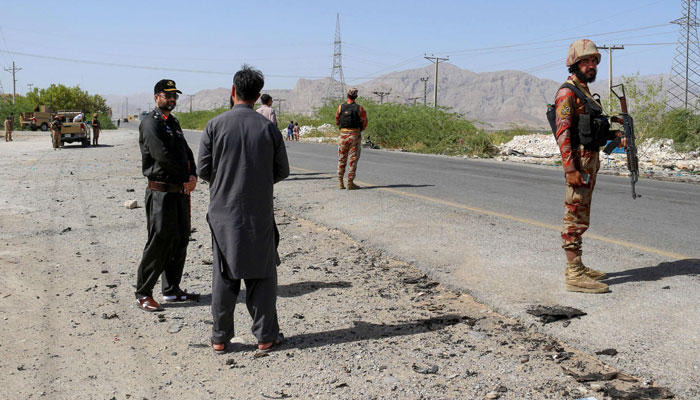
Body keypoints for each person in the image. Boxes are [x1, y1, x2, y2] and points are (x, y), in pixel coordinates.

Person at [197, 65, 289, 354]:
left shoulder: (214, 125)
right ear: (258, 95)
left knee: (224, 275)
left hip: (223, 212)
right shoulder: (268, 128)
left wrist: (226, 181)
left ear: (233, 91)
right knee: (261, 275)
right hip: (258, 212)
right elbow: (282, 171)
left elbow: (203, 169)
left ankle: (220, 339)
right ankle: (265, 337)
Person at [553, 39, 624, 294]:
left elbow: (592, 131)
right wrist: (570, 169)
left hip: (589, 159)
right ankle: (574, 274)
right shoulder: (567, 92)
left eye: (594, 61)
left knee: (582, 214)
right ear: (574, 64)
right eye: (586, 61)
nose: (592, 65)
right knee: (574, 214)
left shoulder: (585, 93)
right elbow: (563, 134)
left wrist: (616, 136)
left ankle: (578, 266)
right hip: (579, 163)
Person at [134, 79, 200, 312]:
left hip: (179, 192)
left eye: (174, 96)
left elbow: (186, 152)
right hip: (161, 192)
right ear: (156, 97)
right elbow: (161, 156)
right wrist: (185, 177)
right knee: (160, 241)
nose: (171, 99)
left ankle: (171, 289)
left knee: (180, 238)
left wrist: (193, 174)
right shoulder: (151, 124)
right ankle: (143, 293)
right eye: (167, 95)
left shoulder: (172, 122)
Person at [336, 87, 368, 190]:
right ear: (356, 97)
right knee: (353, 159)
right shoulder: (359, 108)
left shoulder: (340, 107)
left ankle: (340, 182)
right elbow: (364, 122)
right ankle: (350, 183)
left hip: (343, 135)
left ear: (347, 96)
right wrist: (358, 130)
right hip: (355, 135)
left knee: (342, 158)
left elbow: (337, 121)